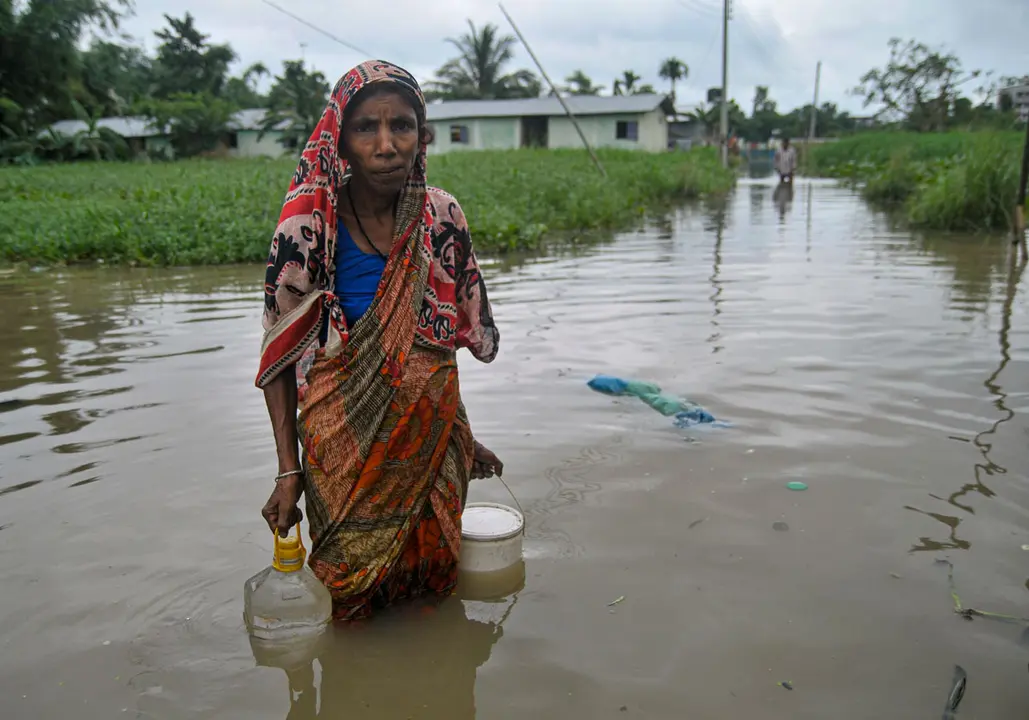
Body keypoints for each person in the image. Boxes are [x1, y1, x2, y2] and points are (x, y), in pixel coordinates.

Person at [256, 60, 504, 621]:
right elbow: (278, 356)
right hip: (344, 442)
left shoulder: (442, 215)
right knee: (346, 595)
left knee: (435, 590)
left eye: (403, 126)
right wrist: (287, 470)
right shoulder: (308, 227)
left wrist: (463, 436)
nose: (387, 144)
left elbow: (437, 351)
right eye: (367, 127)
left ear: (423, 136)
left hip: (432, 438)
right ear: (340, 139)